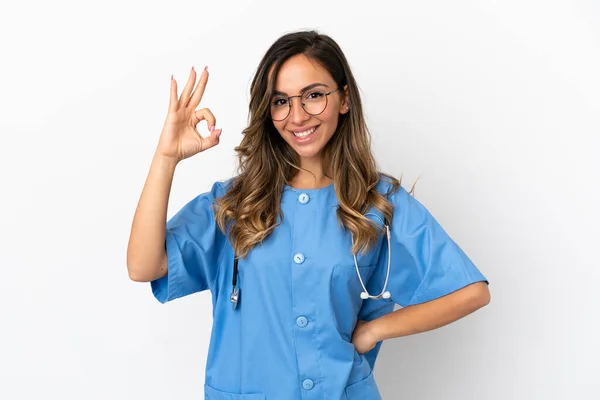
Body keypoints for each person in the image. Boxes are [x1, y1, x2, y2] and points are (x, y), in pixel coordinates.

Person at [127, 30, 490, 400]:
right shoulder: (234, 203)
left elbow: (469, 292)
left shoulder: (377, 202)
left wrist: (375, 330)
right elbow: (144, 267)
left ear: (344, 99)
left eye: (314, 95)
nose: (297, 116)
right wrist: (166, 157)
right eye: (281, 101)